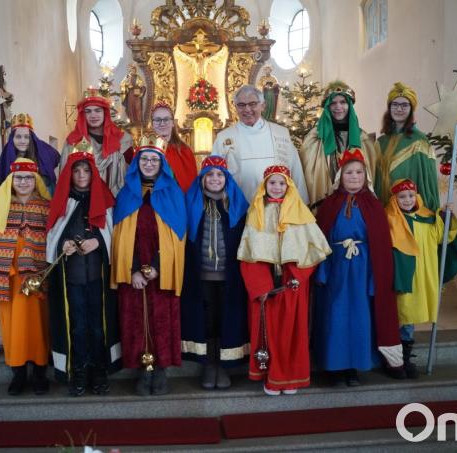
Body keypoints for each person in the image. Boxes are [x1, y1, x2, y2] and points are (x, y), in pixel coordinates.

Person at [313, 149, 405, 386]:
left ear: (366, 176)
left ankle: (354, 366)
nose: (354, 177)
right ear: (340, 176)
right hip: (336, 268)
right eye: (349, 172)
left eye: (359, 172)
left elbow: (381, 246)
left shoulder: (373, 205)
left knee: (360, 317)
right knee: (335, 316)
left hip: (363, 270)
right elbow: (320, 239)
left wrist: (376, 277)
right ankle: (334, 366)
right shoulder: (329, 204)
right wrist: (322, 270)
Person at [237, 165, 330, 396]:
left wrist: (297, 278)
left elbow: (314, 250)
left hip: (292, 284)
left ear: (289, 186)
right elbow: (248, 253)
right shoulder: (256, 212)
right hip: (267, 287)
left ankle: (291, 377)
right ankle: (272, 377)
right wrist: (260, 286)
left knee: (292, 331)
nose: (277, 187)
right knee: (269, 332)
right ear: (264, 186)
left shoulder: (301, 213)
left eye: (282, 183)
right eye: (272, 183)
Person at [111, 135, 187, 396]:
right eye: (145, 159)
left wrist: (158, 266)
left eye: (155, 159)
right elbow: (120, 237)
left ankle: (162, 369)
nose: (149, 163)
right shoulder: (126, 194)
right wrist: (132, 270)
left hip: (161, 272)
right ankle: (142, 372)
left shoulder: (173, 193)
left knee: (162, 320)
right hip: (134, 273)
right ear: (137, 163)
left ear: (162, 163)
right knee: (136, 320)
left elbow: (177, 236)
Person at [0, 158, 52, 396]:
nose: (24, 182)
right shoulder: (0, 206)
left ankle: (39, 372)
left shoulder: (46, 206)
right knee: (12, 327)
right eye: (19, 178)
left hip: (37, 279)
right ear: (11, 181)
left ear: (35, 180)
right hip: (9, 279)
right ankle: (17, 373)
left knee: (39, 326)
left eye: (28, 177)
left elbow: (52, 240)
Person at [46, 140, 121, 396]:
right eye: (76, 171)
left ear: (93, 172)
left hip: (98, 278)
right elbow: (52, 238)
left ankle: (99, 371)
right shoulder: (62, 202)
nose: (81, 176)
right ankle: (78, 371)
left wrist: (97, 242)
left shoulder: (106, 200)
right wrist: (64, 245)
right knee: (77, 326)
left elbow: (114, 236)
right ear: (70, 173)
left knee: (99, 326)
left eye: (86, 171)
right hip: (73, 279)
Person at [385, 178, 457, 378]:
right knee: (401, 314)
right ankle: (394, 360)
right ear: (394, 199)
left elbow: (443, 236)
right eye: (401, 197)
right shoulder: (391, 218)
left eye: (410, 195)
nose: (407, 200)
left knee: (410, 319)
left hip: (423, 275)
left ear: (417, 196)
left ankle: (405, 358)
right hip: (403, 276)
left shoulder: (427, 217)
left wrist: (446, 216)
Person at [181, 156, 250, 390]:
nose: (215, 179)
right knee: (207, 322)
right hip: (200, 276)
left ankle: (224, 365)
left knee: (226, 319)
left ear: (226, 178)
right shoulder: (191, 203)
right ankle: (209, 364)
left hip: (230, 277)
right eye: (209, 175)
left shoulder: (238, 205)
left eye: (219, 175)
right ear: (202, 179)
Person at [212, 85, 309, 203]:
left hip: (275, 207)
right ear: (235, 107)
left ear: (262, 105)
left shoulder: (280, 133)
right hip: (237, 208)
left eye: (252, 104)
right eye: (241, 105)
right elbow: (214, 176)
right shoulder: (224, 138)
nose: (247, 109)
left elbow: (296, 171)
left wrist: (301, 203)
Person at [299, 80, 377, 210]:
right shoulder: (315, 137)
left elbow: (370, 174)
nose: (338, 107)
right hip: (324, 203)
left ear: (350, 105)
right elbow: (308, 174)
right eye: (333, 103)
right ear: (327, 106)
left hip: (355, 205)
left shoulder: (362, 138)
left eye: (343, 102)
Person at [373, 82, 439, 210]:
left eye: (404, 105)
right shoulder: (380, 142)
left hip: (410, 211)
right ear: (389, 107)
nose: (399, 109)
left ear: (411, 109)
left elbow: (427, 183)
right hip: (385, 211)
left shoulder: (420, 141)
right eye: (395, 104)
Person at [63, 88, 133, 195]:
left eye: (98, 110)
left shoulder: (123, 140)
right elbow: (64, 177)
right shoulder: (72, 142)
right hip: (82, 201)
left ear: (105, 113)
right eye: (88, 111)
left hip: (114, 201)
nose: (93, 115)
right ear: (83, 115)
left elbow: (130, 176)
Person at [0, 113, 61, 195]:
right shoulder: (6, 156)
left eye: (26, 137)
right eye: (18, 137)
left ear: (32, 138)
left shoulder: (42, 154)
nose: (22, 141)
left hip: (39, 202)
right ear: (12, 138)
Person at [150, 100, 198, 192]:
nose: (162, 123)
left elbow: (192, 187)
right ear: (152, 124)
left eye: (166, 119)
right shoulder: (143, 150)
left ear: (173, 123)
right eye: (157, 120)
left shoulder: (185, 151)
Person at [120, 63, 147, 127]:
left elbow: (143, 86)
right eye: (131, 69)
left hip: (137, 94)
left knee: (137, 108)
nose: (132, 71)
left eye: (134, 69)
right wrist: (127, 86)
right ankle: (131, 121)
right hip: (130, 94)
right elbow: (122, 85)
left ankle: (138, 121)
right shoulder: (127, 77)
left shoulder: (138, 77)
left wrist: (141, 93)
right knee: (130, 108)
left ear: (135, 70)